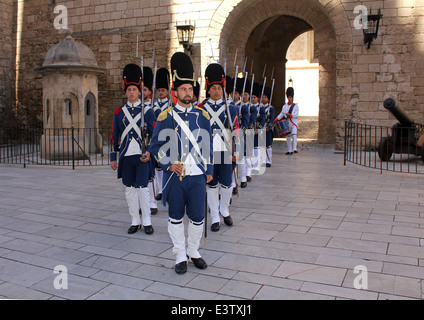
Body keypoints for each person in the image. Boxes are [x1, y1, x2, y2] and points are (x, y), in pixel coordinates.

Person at [148, 52, 213, 275]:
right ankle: (179, 255)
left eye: (190, 89)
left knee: (197, 218)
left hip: (197, 176)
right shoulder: (165, 117)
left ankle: (194, 252)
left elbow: (209, 146)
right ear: (176, 92)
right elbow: (154, 146)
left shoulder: (202, 116)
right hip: (175, 177)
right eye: (183, 89)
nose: (187, 93)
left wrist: (210, 170)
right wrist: (167, 164)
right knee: (175, 217)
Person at [110, 63, 155, 235]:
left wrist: (150, 151)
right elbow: (114, 135)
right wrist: (113, 157)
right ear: (125, 91)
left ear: (139, 91)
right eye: (129, 89)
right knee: (129, 189)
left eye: (134, 89)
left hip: (143, 155)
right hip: (126, 155)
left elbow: (155, 134)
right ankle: (135, 220)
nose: (131, 92)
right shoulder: (119, 112)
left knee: (143, 188)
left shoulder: (148, 111)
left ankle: (147, 221)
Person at [200, 63, 238, 232]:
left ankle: (224, 210)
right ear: (208, 89)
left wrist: (236, 152)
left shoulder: (231, 108)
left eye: (219, 88)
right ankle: (215, 216)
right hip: (207, 153)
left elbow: (236, 131)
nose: (216, 91)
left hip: (225, 152)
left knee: (227, 183)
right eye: (213, 88)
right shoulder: (200, 108)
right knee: (212, 184)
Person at [152, 67, 171, 201]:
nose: (160, 92)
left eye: (163, 90)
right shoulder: (152, 107)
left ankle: (167, 188)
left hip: (168, 139)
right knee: (157, 166)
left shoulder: (172, 106)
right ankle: (160, 189)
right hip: (156, 138)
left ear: (168, 91)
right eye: (159, 90)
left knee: (167, 164)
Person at [276, 87, 299, 155]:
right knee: (288, 136)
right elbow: (282, 114)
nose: (289, 99)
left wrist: (290, 115)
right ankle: (289, 150)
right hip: (288, 123)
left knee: (294, 134)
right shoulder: (284, 106)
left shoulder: (295, 106)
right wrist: (277, 119)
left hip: (294, 123)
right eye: (288, 97)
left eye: (290, 97)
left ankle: (294, 149)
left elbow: (296, 114)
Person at [262, 87, 275, 167]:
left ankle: (268, 160)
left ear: (268, 99)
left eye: (265, 97)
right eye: (262, 97)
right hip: (260, 128)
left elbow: (272, 119)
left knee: (268, 145)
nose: (263, 99)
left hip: (267, 129)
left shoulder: (270, 108)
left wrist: (269, 127)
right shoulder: (259, 108)